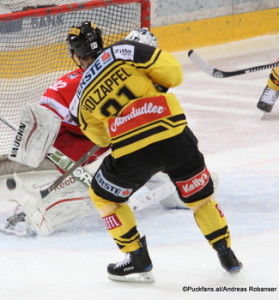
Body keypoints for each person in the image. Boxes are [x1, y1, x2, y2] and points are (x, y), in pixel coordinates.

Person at [67, 21, 243, 282]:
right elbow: (174, 74)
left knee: (103, 196)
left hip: (133, 154)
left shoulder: (80, 97)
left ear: (75, 56)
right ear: (101, 41)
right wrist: (153, 86)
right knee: (201, 199)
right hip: (174, 138)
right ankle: (226, 253)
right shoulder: (123, 50)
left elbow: (101, 138)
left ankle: (136, 257)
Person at [4, 28, 184, 237]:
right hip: (79, 144)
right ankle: (39, 210)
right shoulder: (124, 71)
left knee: (138, 152)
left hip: (68, 140)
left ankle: (171, 184)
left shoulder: (87, 74)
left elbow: (42, 117)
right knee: (133, 157)